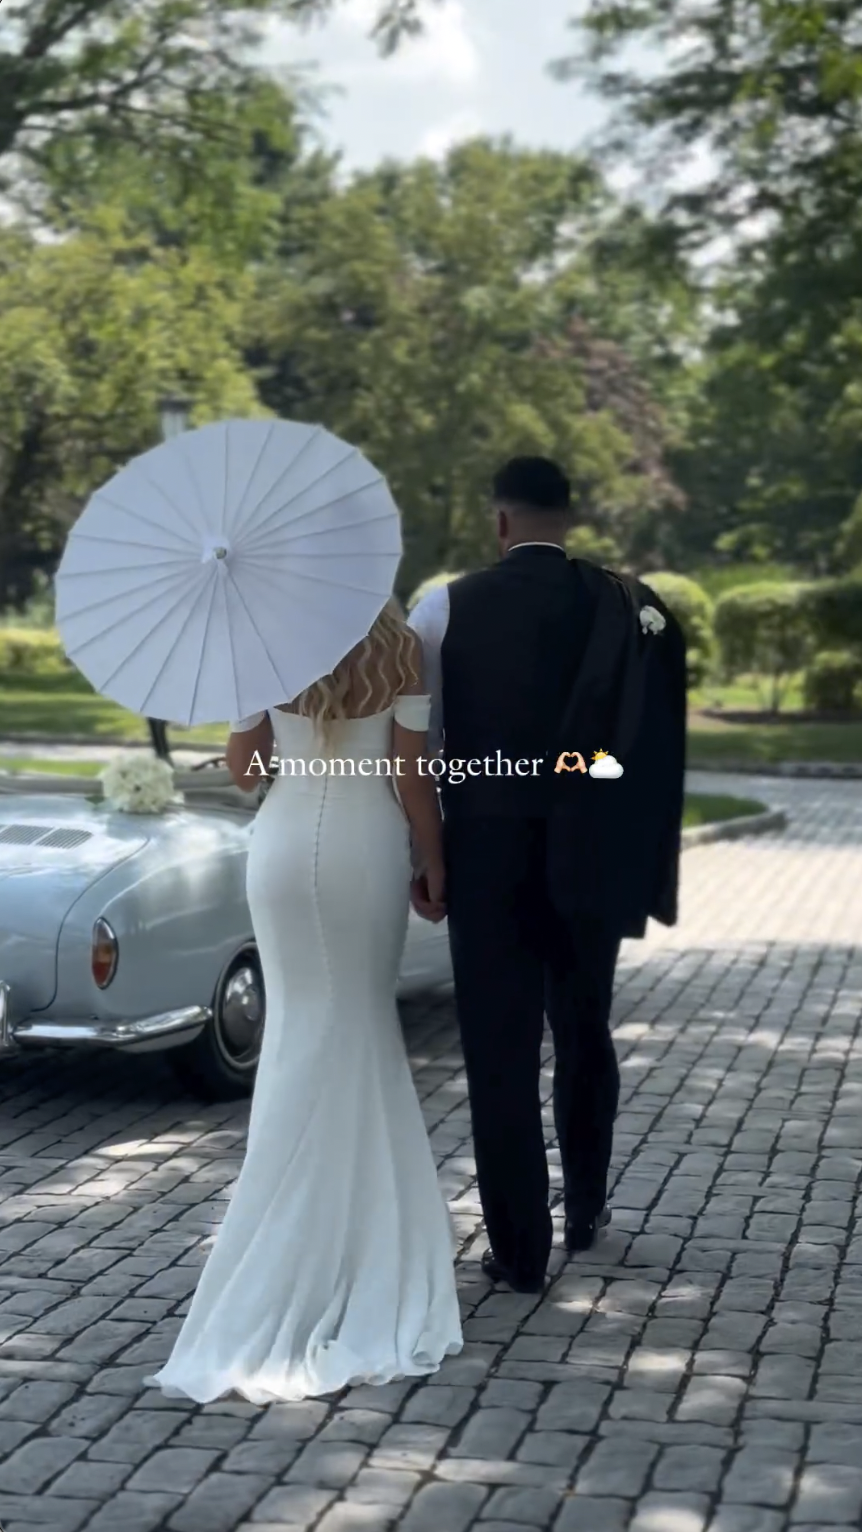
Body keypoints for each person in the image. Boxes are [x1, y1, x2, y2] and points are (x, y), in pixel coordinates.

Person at [145, 599, 462, 1404]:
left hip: (284, 850)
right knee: (358, 1028)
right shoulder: (400, 648)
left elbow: (248, 773)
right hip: (365, 849)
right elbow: (409, 772)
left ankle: (288, 1239)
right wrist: (434, 861)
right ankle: (355, 1245)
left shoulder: (264, 644)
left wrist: (254, 708)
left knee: (295, 1034)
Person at [409, 457, 686, 1294]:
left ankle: (519, 1249)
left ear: (498, 521)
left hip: (487, 852)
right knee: (584, 1029)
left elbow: (422, 744)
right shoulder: (629, 606)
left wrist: (428, 859)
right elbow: (649, 750)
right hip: (591, 852)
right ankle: (589, 1208)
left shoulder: (444, 606)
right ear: (570, 515)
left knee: (499, 1049)